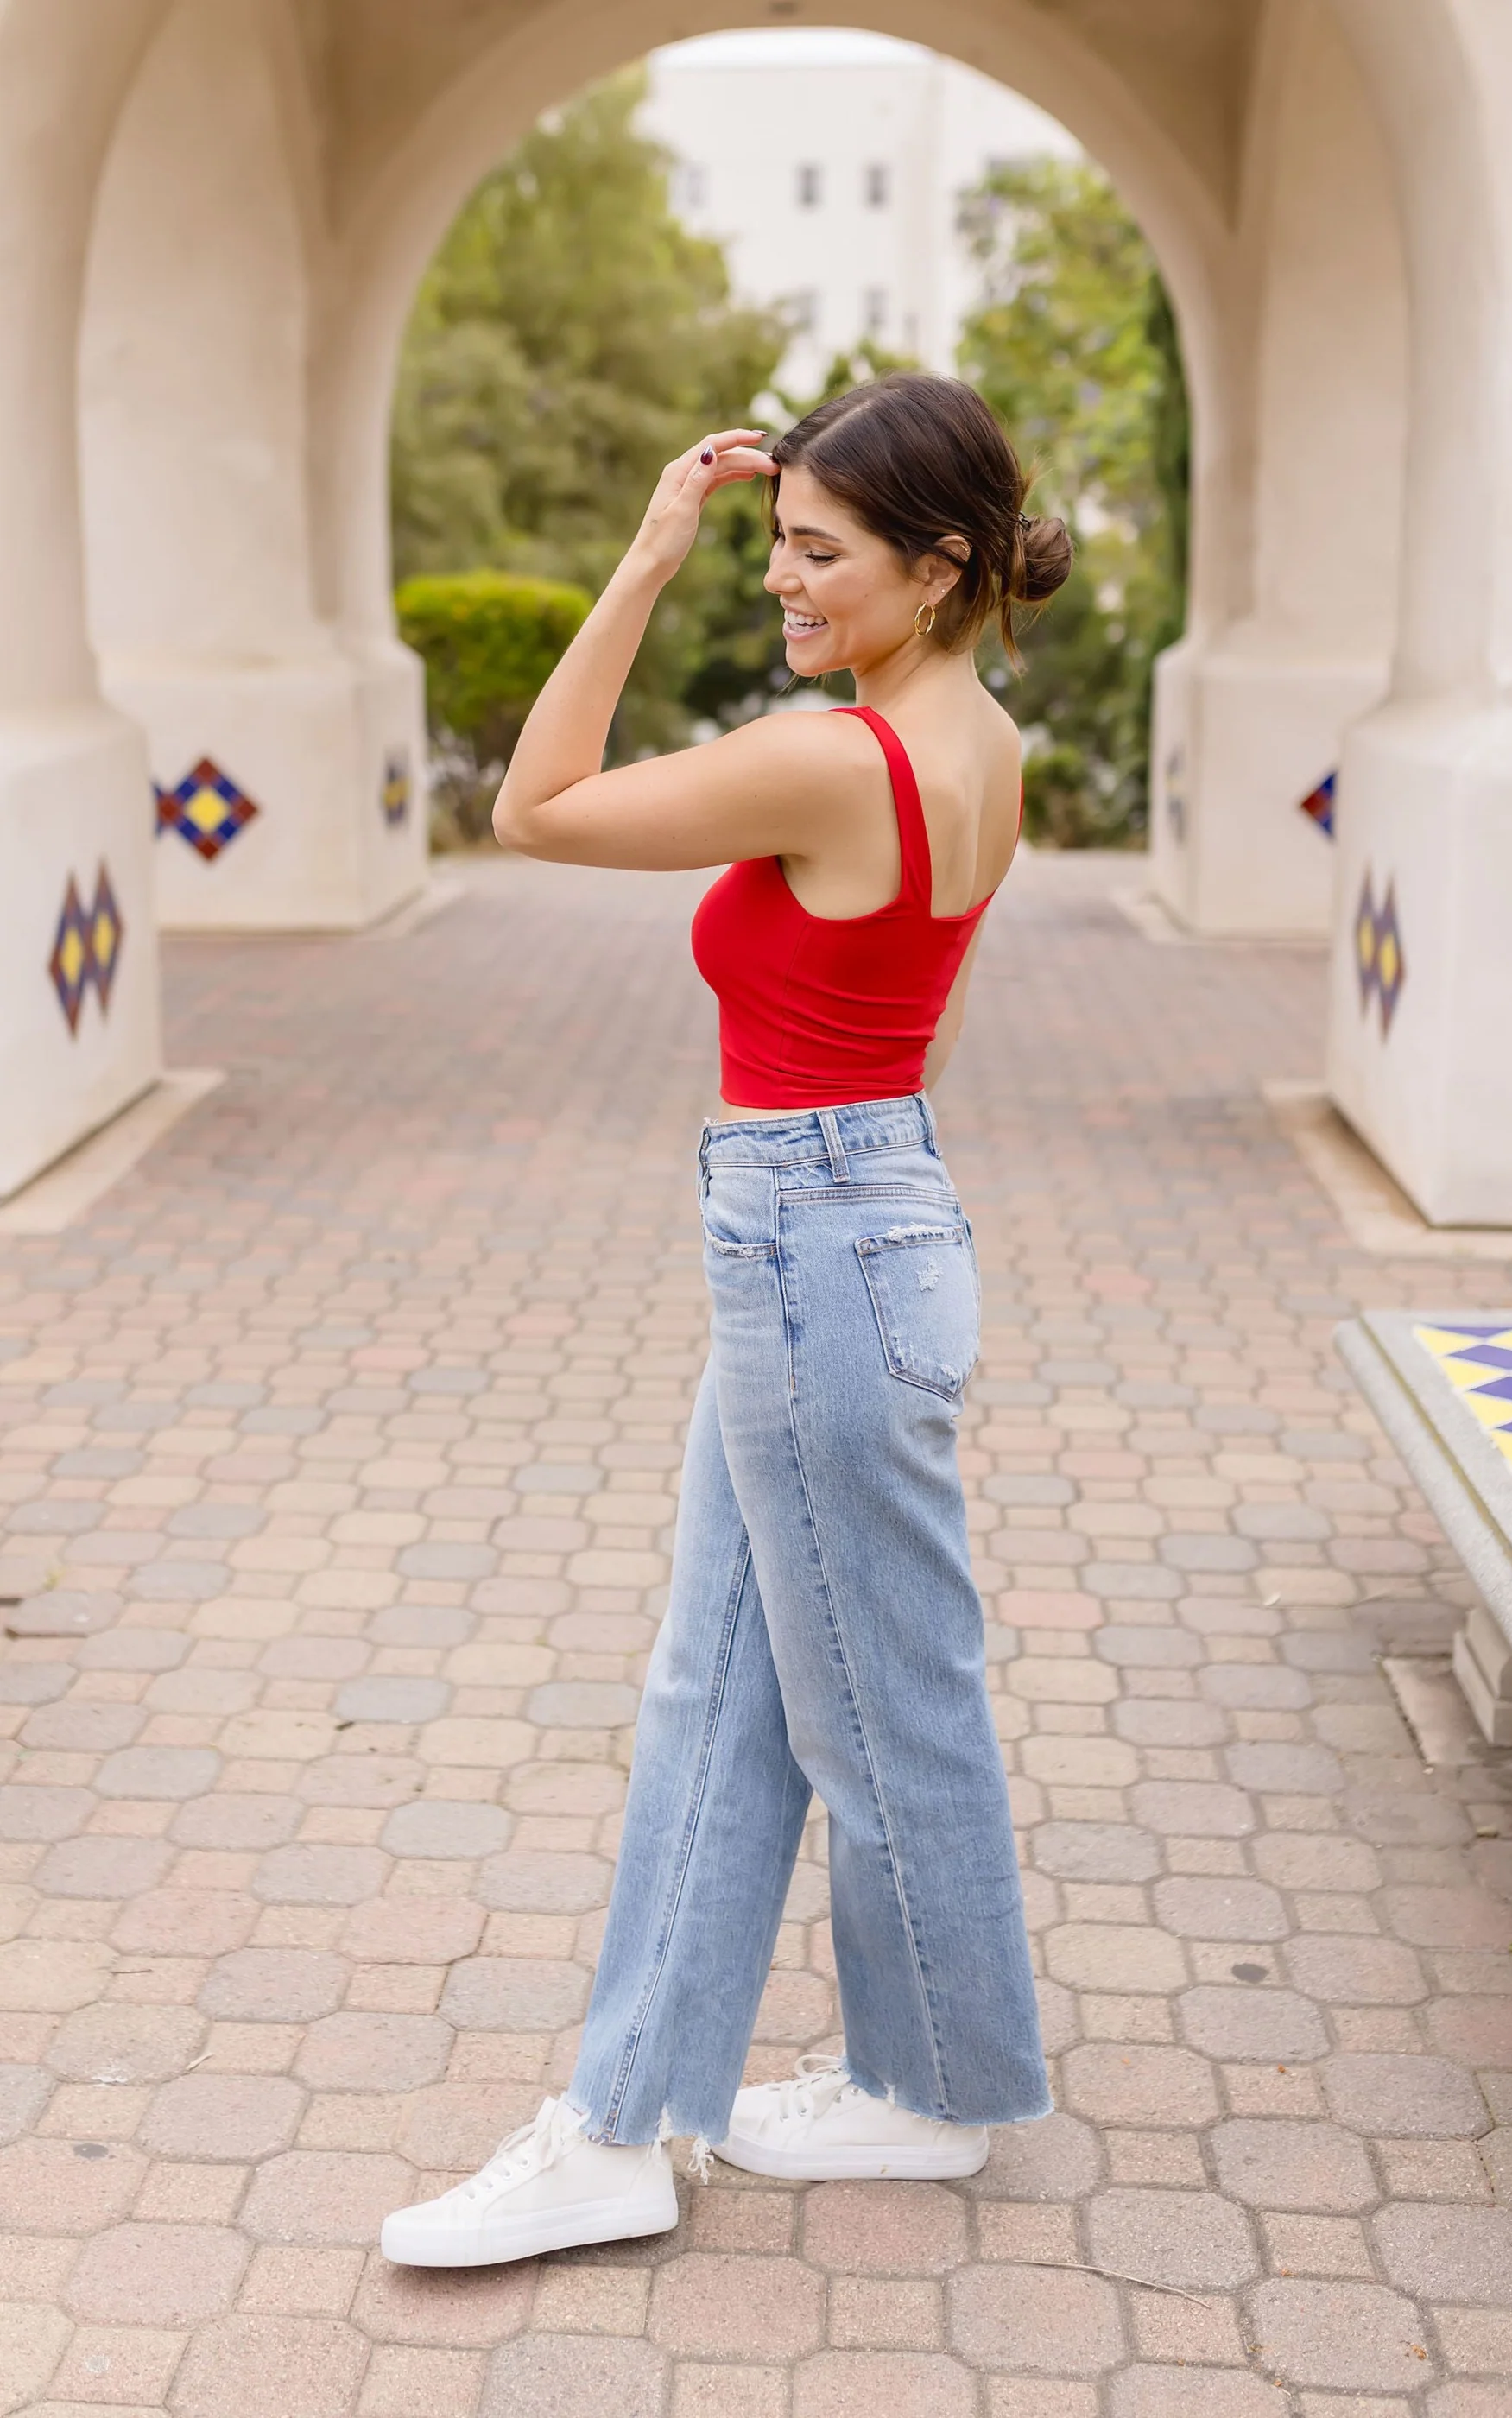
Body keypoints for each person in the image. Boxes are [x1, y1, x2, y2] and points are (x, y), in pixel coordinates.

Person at [382, 372, 1073, 2269]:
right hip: (860, 1216)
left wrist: (644, 556)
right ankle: (671, 2109)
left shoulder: (832, 761)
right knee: (742, 1688)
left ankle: (884, 2093)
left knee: (867, 1696)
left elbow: (534, 805)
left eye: (817, 550)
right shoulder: (979, 740)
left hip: (815, 1239)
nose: (780, 577)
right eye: (773, 540)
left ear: (939, 569)